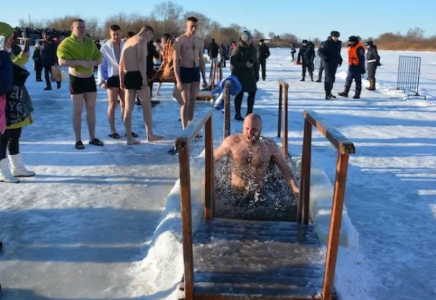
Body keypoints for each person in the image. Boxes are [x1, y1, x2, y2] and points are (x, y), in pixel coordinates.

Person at [213, 114, 299, 202]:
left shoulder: (269, 146)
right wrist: (211, 175)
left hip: (259, 196)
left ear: (260, 128)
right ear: (243, 127)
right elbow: (213, 158)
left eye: (254, 129)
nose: (250, 132)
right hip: (235, 195)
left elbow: (285, 168)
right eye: (247, 129)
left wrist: (294, 186)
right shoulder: (232, 142)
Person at [57, 19, 103, 149]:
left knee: (91, 109)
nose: (82, 29)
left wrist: (92, 63)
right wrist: (80, 62)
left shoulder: (89, 42)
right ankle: (78, 139)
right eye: (79, 27)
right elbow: (61, 61)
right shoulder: (66, 43)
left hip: (89, 79)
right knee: (77, 111)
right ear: (72, 28)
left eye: (83, 27)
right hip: (76, 79)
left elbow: (99, 58)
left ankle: (92, 137)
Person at [0, 22, 35, 182]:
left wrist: (21, 57)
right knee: (4, 136)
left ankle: (17, 167)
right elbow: (7, 73)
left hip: (14, 100)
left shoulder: (7, 52)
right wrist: (22, 59)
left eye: (12, 38)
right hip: (4, 102)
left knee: (15, 134)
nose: (10, 41)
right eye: (8, 38)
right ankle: (3, 171)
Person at [119, 26, 163, 144]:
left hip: (127, 75)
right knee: (146, 107)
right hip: (138, 75)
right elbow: (140, 60)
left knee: (128, 109)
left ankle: (129, 137)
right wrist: (144, 78)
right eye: (151, 38)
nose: (150, 40)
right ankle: (150, 135)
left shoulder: (128, 41)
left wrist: (120, 78)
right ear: (147, 33)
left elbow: (121, 62)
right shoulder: (141, 40)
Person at [98, 24, 138, 140]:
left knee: (125, 104)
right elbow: (102, 65)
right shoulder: (105, 47)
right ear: (110, 35)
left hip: (124, 75)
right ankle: (113, 130)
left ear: (121, 33)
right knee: (112, 103)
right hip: (112, 77)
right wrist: (102, 81)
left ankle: (128, 129)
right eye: (113, 35)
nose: (116, 37)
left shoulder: (126, 44)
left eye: (118, 34)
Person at [174, 16, 208, 129]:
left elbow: (201, 60)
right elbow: (175, 62)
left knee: (193, 100)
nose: (194, 29)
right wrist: (178, 80)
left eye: (196, 26)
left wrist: (204, 78)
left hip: (195, 71)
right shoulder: (180, 40)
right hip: (185, 71)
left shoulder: (199, 41)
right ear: (186, 26)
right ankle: (184, 128)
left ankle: (190, 125)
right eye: (191, 26)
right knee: (186, 101)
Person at [230, 30, 259, 121]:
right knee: (239, 94)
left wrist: (257, 73)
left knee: (252, 93)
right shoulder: (238, 48)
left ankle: (249, 113)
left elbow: (256, 62)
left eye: (251, 39)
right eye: (249, 40)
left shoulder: (253, 49)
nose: (250, 41)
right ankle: (237, 114)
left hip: (250, 76)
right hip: (240, 75)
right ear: (244, 40)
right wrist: (244, 64)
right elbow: (233, 61)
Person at [151, 33, 182, 105]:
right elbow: (165, 61)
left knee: (178, 94)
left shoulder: (173, 47)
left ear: (165, 41)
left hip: (179, 72)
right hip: (173, 72)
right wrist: (158, 72)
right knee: (176, 94)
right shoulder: (167, 49)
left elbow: (174, 62)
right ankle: (185, 109)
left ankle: (186, 109)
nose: (162, 44)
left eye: (162, 43)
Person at [318, 31, 343, 100]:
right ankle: (327, 92)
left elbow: (338, 53)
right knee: (328, 77)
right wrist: (325, 57)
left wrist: (340, 59)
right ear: (331, 36)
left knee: (332, 78)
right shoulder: (326, 43)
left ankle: (330, 92)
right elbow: (320, 52)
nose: (336, 38)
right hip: (327, 62)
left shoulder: (338, 43)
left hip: (334, 63)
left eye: (337, 37)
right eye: (335, 37)